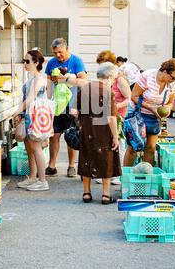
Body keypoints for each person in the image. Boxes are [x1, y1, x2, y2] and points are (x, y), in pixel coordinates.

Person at [123, 58, 175, 166]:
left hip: (154, 117)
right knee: (133, 147)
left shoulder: (172, 84)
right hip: (138, 114)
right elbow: (134, 96)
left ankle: (147, 176)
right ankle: (127, 176)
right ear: (165, 72)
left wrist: (168, 109)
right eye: (173, 77)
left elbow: (170, 102)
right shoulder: (147, 76)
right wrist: (152, 108)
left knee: (150, 148)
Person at [77, 62, 121, 204]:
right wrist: (115, 136)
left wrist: (82, 122)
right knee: (106, 159)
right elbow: (111, 118)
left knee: (86, 157)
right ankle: (106, 195)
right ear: (108, 77)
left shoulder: (85, 88)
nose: (114, 82)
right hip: (103, 130)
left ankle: (86, 193)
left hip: (86, 129)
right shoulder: (108, 91)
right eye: (114, 79)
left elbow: (73, 111)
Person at [45, 38, 87, 178]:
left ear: (67, 48)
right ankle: (52, 166)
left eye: (60, 52)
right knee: (54, 136)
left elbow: (83, 81)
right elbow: (49, 82)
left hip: (72, 104)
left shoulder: (76, 61)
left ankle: (71, 166)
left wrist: (66, 79)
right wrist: (48, 101)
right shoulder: (51, 63)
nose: (58, 55)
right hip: (57, 106)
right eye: (55, 53)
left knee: (71, 135)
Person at [15, 50, 49, 191]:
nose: (25, 64)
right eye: (24, 61)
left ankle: (42, 181)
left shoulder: (39, 78)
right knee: (30, 148)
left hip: (36, 115)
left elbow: (30, 99)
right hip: (30, 115)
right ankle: (33, 177)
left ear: (36, 63)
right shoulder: (33, 78)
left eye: (28, 61)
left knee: (36, 148)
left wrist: (17, 110)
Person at [96, 50, 131, 185]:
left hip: (118, 116)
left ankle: (117, 174)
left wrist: (114, 106)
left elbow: (129, 98)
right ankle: (105, 173)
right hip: (107, 115)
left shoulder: (120, 79)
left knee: (119, 144)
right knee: (106, 144)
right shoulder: (106, 78)